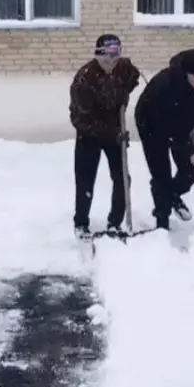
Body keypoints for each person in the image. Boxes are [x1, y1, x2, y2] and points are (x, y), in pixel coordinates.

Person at [134, 48, 194, 231]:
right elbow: (168, 125)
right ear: (186, 73)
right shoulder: (166, 85)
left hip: (183, 125)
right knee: (161, 173)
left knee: (193, 169)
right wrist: (189, 148)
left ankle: (171, 196)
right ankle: (162, 221)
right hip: (151, 123)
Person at [68, 34, 141, 239]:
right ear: (98, 57)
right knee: (85, 180)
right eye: (107, 60)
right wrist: (108, 131)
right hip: (88, 134)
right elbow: (78, 117)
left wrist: (125, 89)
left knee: (122, 178)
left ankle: (115, 222)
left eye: (115, 60)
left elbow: (134, 77)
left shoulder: (124, 69)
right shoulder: (85, 78)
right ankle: (81, 223)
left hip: (115, 132)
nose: (112, 64)